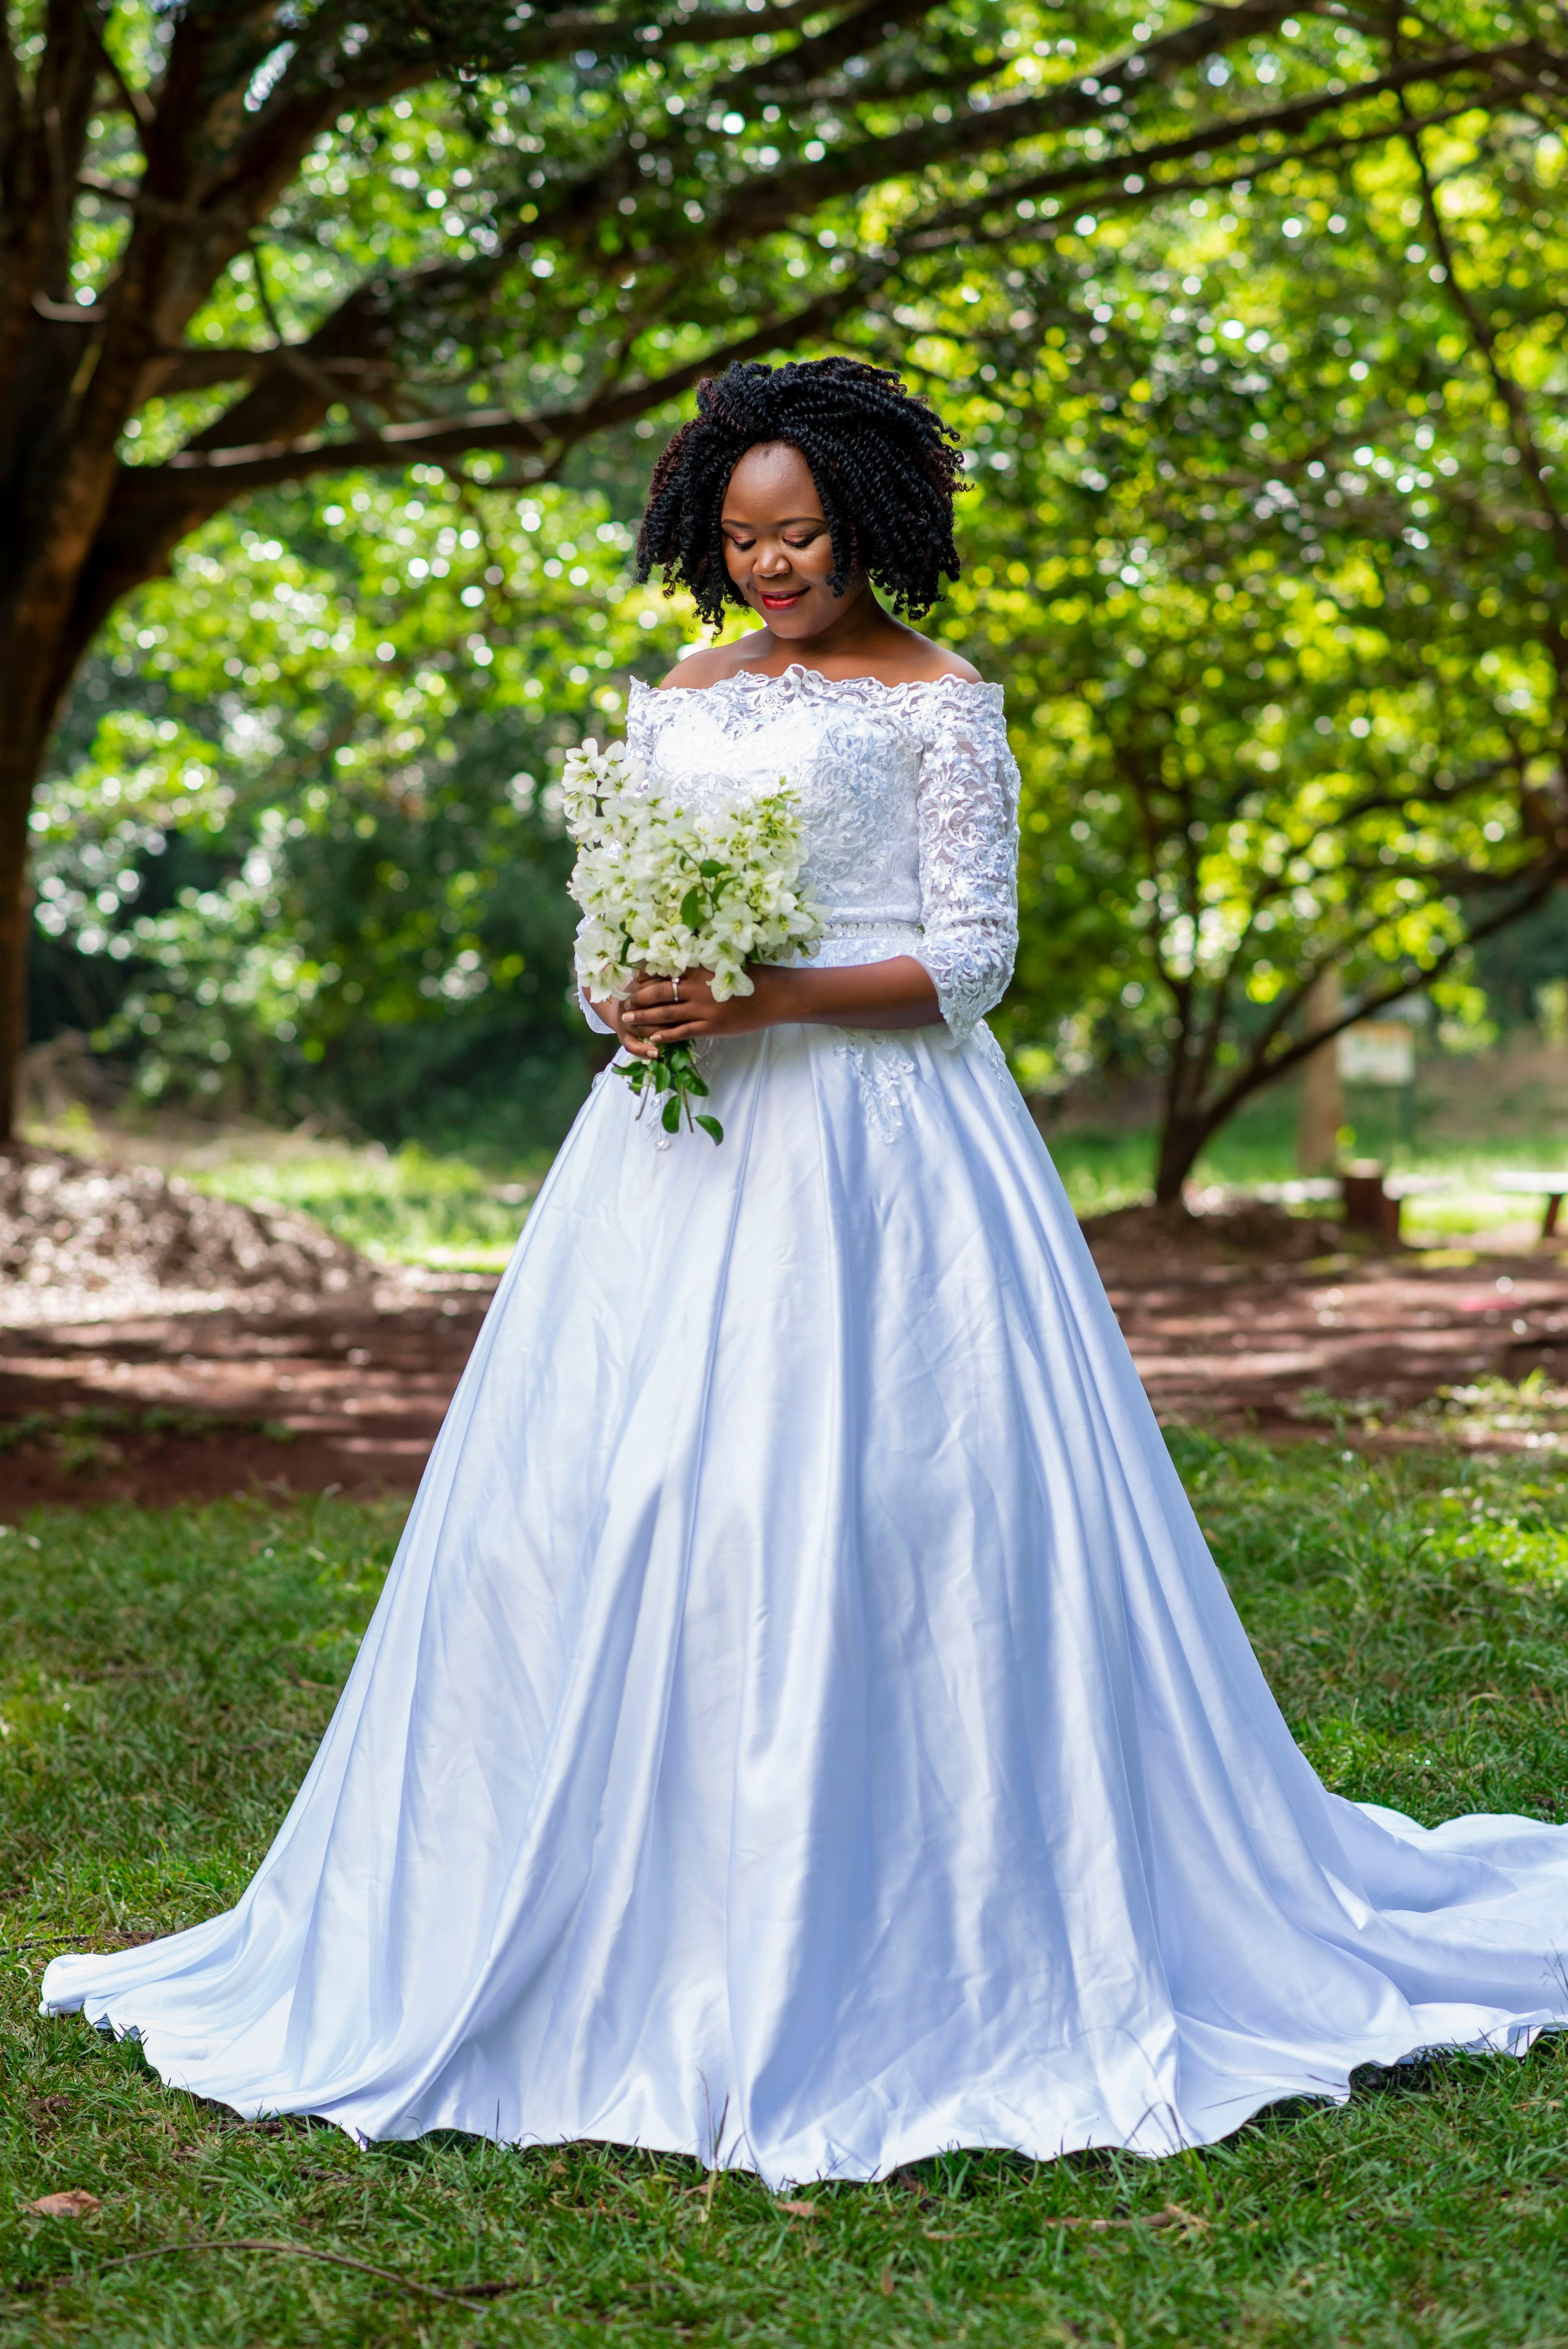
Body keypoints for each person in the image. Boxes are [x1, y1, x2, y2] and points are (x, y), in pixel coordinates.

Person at [43, 357, 1568, 2187]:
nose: (774, 568)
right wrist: (635, 993)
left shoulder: (942, 704)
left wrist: (763, 991)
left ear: (871, 518)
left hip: (890, 1151)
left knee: (898, 1498)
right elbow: (607, 948)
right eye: (744, 538)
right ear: (707, 531)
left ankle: (917, 1900)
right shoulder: (677, 696)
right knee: (630, 1496)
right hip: (672, 1154)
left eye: (806, 535)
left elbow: (972, 958)